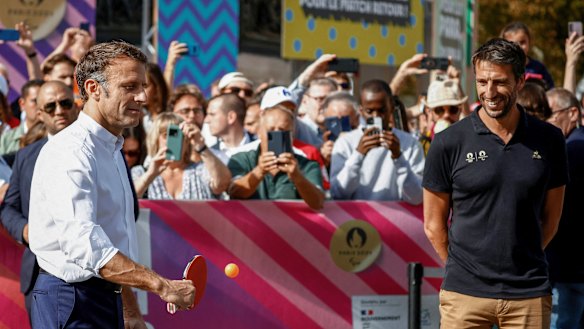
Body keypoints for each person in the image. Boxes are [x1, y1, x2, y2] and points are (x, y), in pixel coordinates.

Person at [28, 41, 195, 328]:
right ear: (93, 89)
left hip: (101, 299)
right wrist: (161, 285)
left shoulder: (111, 148)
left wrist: (129, 309)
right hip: (71, 302)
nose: (143, 96)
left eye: (143, 85)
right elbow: (86, 245)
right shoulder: (71, 151)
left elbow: (113, 240)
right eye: (130, 86)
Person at [423, 38, 568, 328]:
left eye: (500, 82)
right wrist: (464, 269)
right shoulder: (449, 141)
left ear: (520, 82)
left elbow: (551, 219)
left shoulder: (550, 140)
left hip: (528, 291)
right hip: (464, 294)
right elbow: (433, 224)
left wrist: (522, 257)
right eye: (482, 81)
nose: (489, 92)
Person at [0, 81, 79, 323]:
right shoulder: (26, 156)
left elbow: (129, 208)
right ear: (40, 113)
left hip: (92, 277)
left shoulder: (105, 150)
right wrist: (24, 230)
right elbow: (9, 209)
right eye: (51, 106)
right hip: (39, 274)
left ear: (76, 107)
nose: (59, 111)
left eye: (65, 103)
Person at [330, 79, 424, 203]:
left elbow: (417, 198)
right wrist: (358, 154)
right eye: (369, 111)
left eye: (382, 110)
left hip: (397, 221)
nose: (376, 117)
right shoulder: (345, 143)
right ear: (361, 110)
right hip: (356, 221)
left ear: (391, 107)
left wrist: (398, 157)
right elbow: (338, 193)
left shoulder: (410, 144)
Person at [228, 105, 324, 210]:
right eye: (271, 130)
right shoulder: (241, 160)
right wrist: (259, 171)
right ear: (260, 132)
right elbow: (234, 193)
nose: (276, 134)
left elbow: (318, 203)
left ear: (292, 134)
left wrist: (297, 177)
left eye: (282, 130)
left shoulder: (307, 165)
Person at [545, 88, 584, 329]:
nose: (545, 120)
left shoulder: (573, 150)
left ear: (572, 113)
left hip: (569, 269)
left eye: (550, 113)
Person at [131, 112, 231, 199]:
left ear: (187, 141)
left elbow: (222, 184)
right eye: (167, 135)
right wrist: (150, 175)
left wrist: (201, 145)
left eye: (178, 135)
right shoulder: (140, 173)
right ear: (156, 140)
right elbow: (126, 201)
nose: (172, 141)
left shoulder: (201, 171)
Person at [501, 22, 554, 89]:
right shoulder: (502, 67)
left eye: (522, 42)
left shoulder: (539, 67)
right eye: (513, 44)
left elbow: (550, 91)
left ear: (529, 41)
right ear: (505, 46)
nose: (519, 47)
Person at [0, 80, 43, 155]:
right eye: (35, 101)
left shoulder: (56, 134)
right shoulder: (7, 139)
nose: (41, 106)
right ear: (22, 104)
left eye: (44, 101)